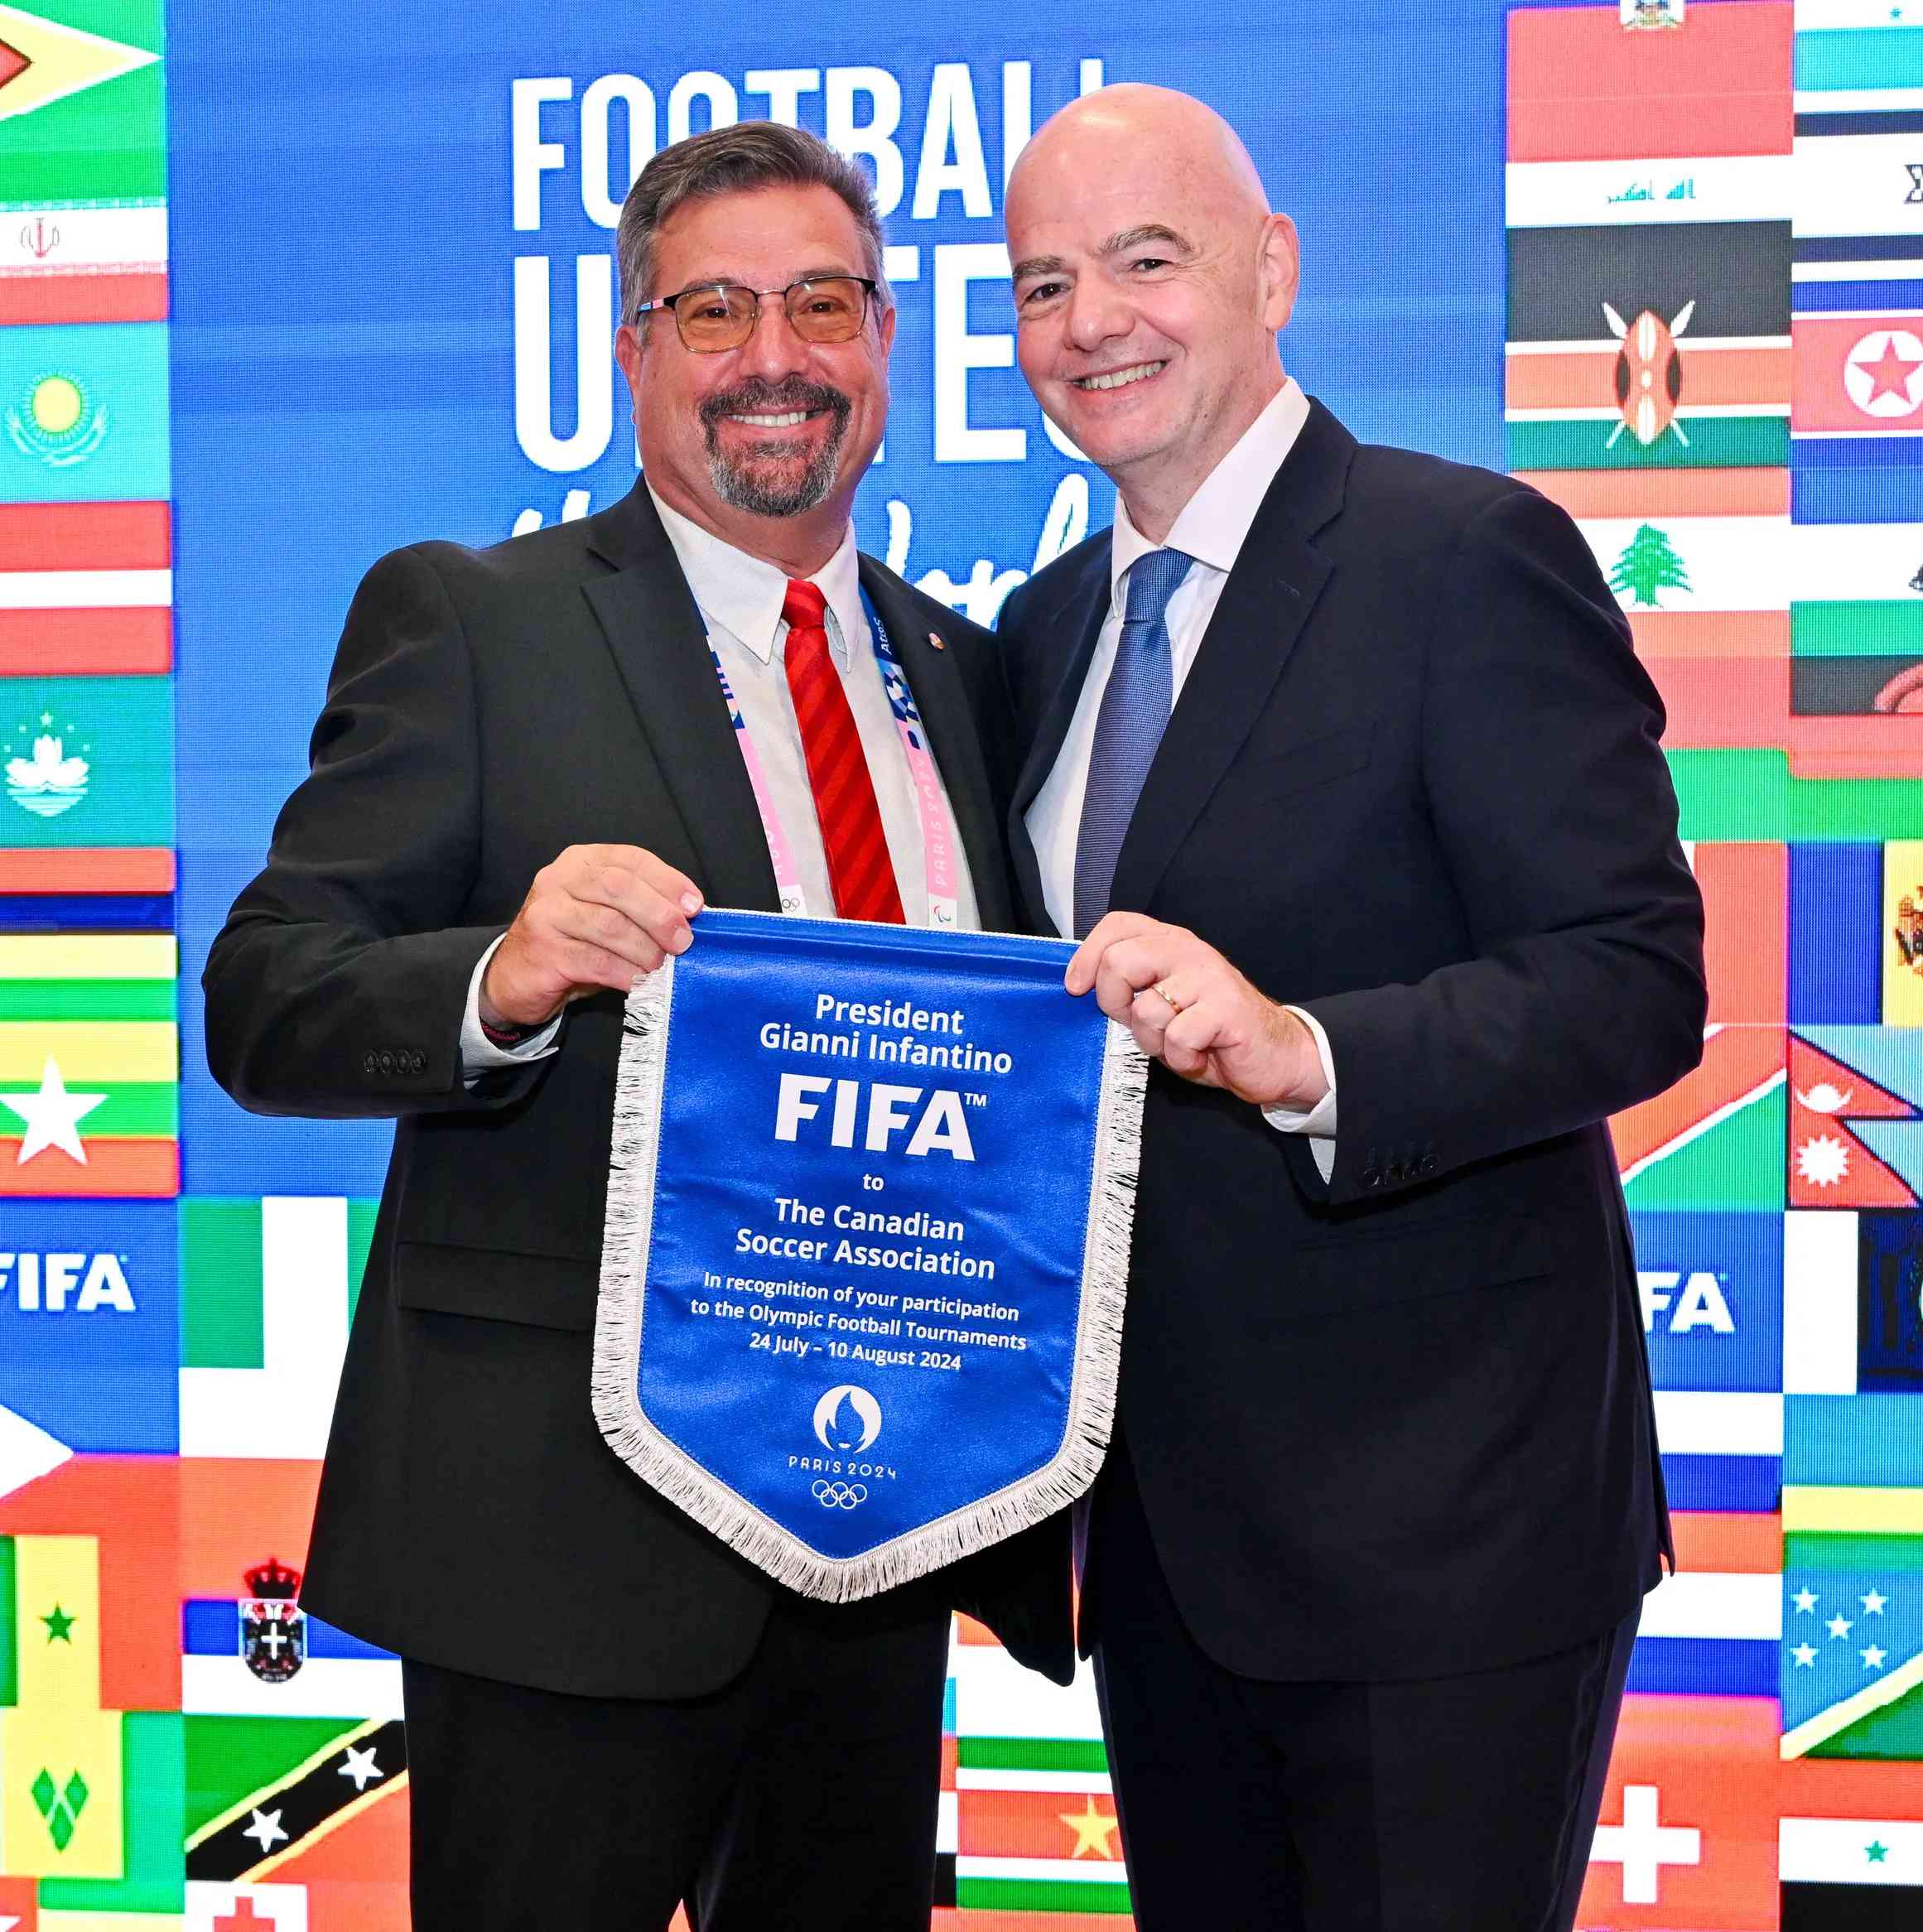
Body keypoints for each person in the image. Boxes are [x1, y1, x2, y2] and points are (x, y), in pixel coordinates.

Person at [204, 121, 1068, 1932]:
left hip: (875, 1556)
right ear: (632, 350)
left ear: (887, 341)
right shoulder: (476, 621)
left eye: (822, 302)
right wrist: (499, 978)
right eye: (715, 310)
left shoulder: (972, 676)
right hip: (555, 1566)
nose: (774, 358)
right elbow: (266, 993)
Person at [996, 84, 1706, 1932]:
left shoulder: (1460, 556)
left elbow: (1635, 981)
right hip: (1155, 1540)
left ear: (1274, 270)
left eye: (1146, 261)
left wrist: (1310, 1052)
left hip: (1444, 1537)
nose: (1092, 323)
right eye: (1043, 282)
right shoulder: (1047, 627)